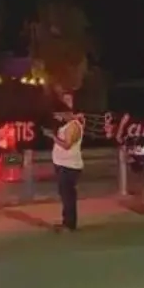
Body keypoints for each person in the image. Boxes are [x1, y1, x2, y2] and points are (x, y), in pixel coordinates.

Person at [46, 93, 85, 233]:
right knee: (65, 194)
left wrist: (52, 137)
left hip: (69, 166)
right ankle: (67, 222)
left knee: (68, 195)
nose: (59, 117)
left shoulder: (73, 125)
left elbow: (67, 145)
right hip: (63, 165)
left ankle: (69, 224)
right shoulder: (67, 125)